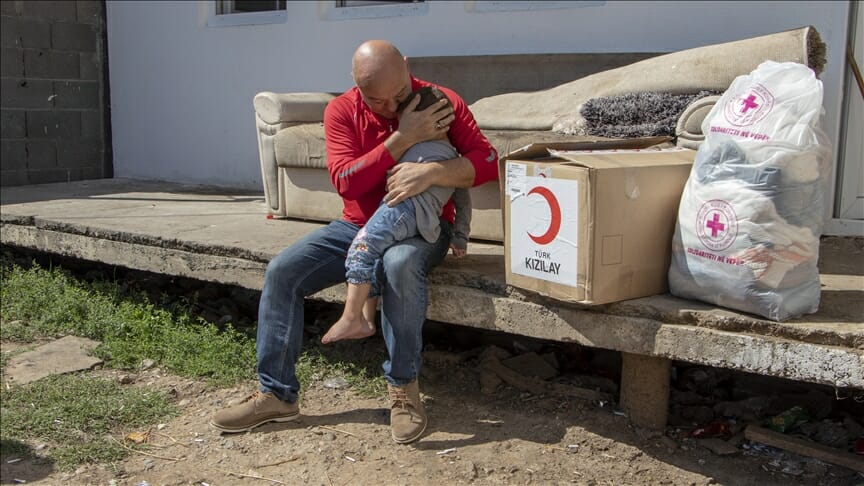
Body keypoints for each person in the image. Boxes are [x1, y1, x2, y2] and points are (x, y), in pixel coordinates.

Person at [210, 40, 498, 445]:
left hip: (424, 227)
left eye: (397, 95)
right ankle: (276, 394)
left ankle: (404, 391)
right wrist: (401, 138)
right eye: (375, 99)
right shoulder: (341, 110)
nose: (387, 106)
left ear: (407, 68)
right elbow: (345, 181)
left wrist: (433, 172)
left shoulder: (441, 101)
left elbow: (488, 161)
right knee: (283, 271)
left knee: (398, 264)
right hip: (356, 226)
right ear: (355, 84)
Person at [321, 86, 472, 345]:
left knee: (361, 247)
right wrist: (460, 237)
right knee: (377, 255)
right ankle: (366, 321)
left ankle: (350, 317)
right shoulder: (454, 160)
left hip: (401, 211)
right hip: (420, 221)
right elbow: (463, 199)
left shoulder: (423, 150)